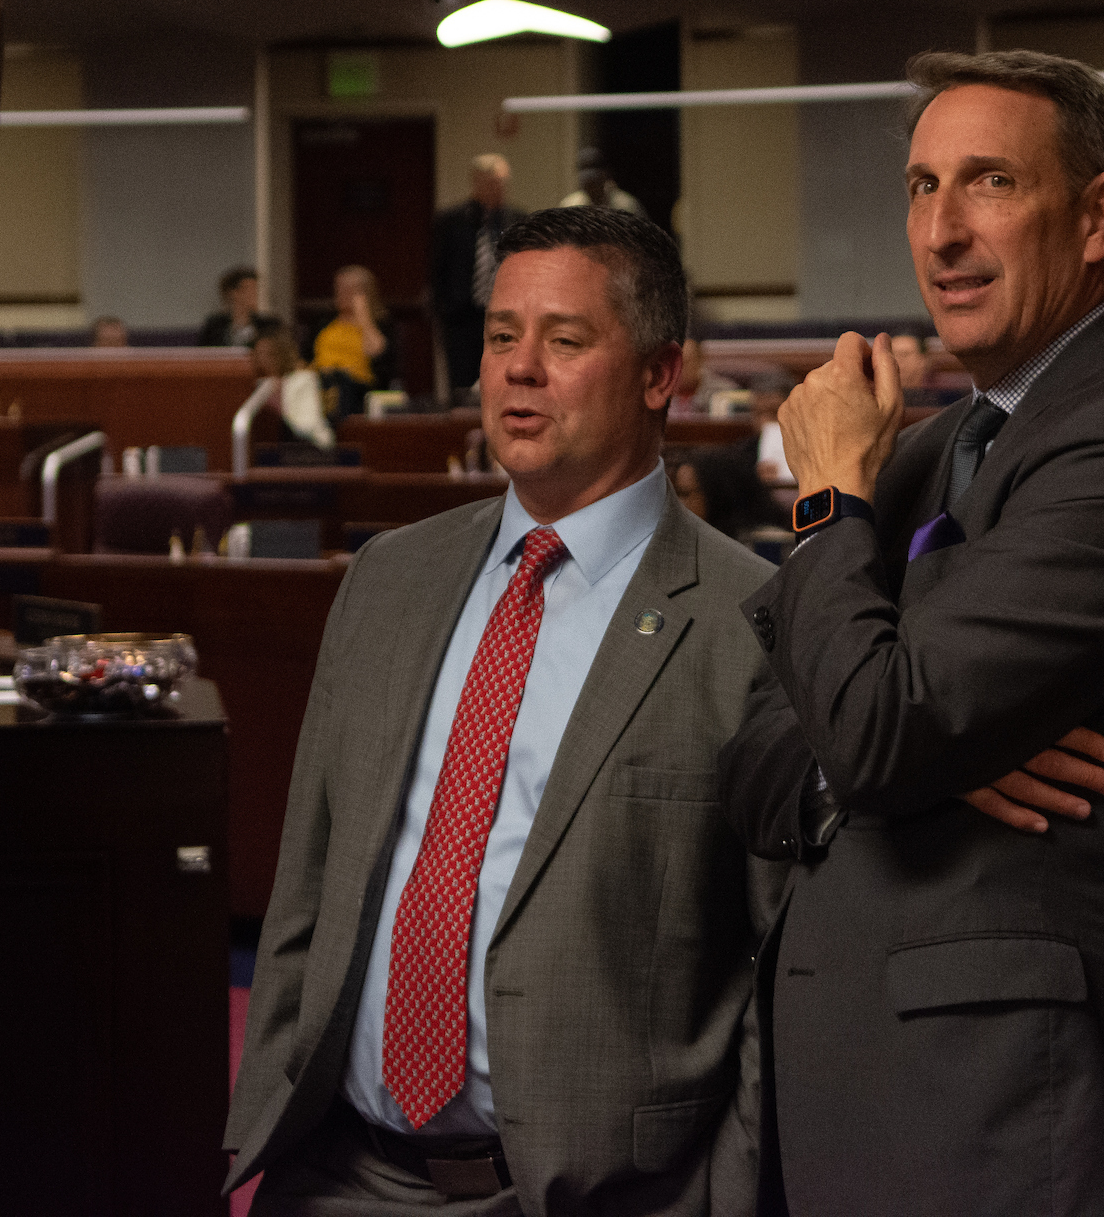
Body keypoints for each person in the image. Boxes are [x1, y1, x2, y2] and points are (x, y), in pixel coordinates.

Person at [717, 49, 1104, 1217]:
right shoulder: (918, 453)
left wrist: (824, 505)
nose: (943, 230)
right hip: (858, 1107)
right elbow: (754, 762)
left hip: (1021, 1128)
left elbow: (876, 727)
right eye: (921, 187)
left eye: (990, 183)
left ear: (1100, 213)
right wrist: (910, 755)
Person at [225, 206, 782, 1216]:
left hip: (594, 1193)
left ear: (661, 373)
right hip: (337, 1176)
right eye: (498, 337)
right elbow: (308, 878)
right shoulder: (389, 577)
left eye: (564, 340)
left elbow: (781, 971)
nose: (518, 368)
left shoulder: (751, 624)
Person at [431, 153, 525, 398]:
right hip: (461, 315)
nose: (500, 188)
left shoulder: (517, 219)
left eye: (504, 182)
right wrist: (441, 307)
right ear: (478, 182)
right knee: (462, 382)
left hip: (504, 314)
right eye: (494, 182)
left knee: (502, 378)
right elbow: (437, 269)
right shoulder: (451, 220)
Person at [311, 264, 399, 416]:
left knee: (342, 384)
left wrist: (363, 316)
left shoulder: (380, 325)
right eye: (338, 288)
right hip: (319, 383)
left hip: (356, 389)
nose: (340, 293)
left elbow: (379, 355)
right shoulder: (324, 322)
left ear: (364, 293)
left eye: (348, 289)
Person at [672, 444, 788, 544]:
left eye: (685, 494)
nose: (679, 504)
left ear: (716, 495)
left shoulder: (767, 543)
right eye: (677, 494)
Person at [252, 329, 334, 452]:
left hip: (307, 448)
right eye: (258, 354)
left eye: (269, 354)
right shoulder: (252, 386)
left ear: (282, 355)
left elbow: (307, 425)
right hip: (265, 450)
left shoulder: (302, 380)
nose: (262, 360)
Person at [200, 265, 284, 347]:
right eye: (248, 289)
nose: (254, 294)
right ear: (233, 293)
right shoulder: (214, 327)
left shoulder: (268, 325)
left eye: (255, 289)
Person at [556, 147, 645, 217]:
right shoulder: (570, 205)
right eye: (587, 185)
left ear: (605, 175)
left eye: (594, 183)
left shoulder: (626, 205)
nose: (592, 188)